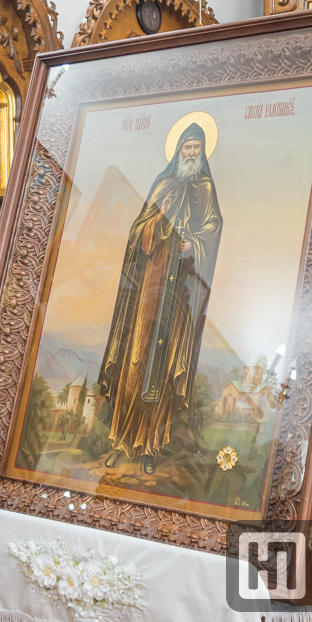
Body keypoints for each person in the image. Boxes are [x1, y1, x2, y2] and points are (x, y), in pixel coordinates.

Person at [95, 121, 223, 475]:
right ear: (178, 150)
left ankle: (150, 448)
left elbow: (212, 229)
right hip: (147, 292)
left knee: (164, 365)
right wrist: (160, 217)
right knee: (135, 360)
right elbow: (138, 230)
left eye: (197, 147)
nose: (192, 152)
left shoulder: (205, 188)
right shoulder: (163, 183)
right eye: (187, 147)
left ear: (203, 152)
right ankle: (122, 443)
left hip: (180, 293)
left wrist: (193, 245)